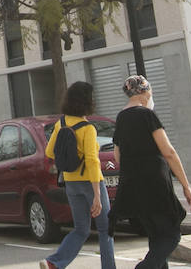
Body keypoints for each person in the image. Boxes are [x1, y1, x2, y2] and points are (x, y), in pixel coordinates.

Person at [112, 75, 191, 269]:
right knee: (171, 235)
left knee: (156, 235)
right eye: (150, 90)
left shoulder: (121, 117)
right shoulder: (147, 115)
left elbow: (117, 154)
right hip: (155, 182)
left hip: (133, 184)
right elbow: (169, 152)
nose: (151, 94)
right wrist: (187, 187)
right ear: (143, 91)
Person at [40, 81, 116, 269]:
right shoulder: (88, 128)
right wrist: (97, 195)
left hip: (71, 182)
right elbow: (92, 161)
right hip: (91, 184)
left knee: (81, 229)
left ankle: (54, 262)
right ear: (87, 101)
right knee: (106, 229)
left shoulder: (61, 123)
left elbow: (50, 152)